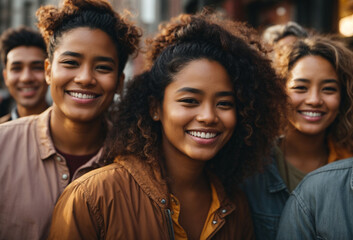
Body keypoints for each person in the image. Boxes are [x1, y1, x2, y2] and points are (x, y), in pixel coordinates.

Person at [47, 12, 286, 239]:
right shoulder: (91, 197)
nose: (208, 116)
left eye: (224, 103)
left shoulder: (235, 205)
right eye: (190, 101)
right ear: (155, 108)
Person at [0, 0, 141, 239]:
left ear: (119, 83)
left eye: (103, 67)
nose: (85, 78)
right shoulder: (3, 146)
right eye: (70, 63)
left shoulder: (136, 164)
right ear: (47, 71)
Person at [241, 35, 353, 240]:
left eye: (329, 89)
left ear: (344, 97)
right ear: (278, 91)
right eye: (300, 88)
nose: (314, 100)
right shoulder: (250, 167)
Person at [0, 26, 49, 123]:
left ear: (49, 73)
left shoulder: (75, 133)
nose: (26, 78)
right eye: (16, 68)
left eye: (37, 67)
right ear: (5, 77)